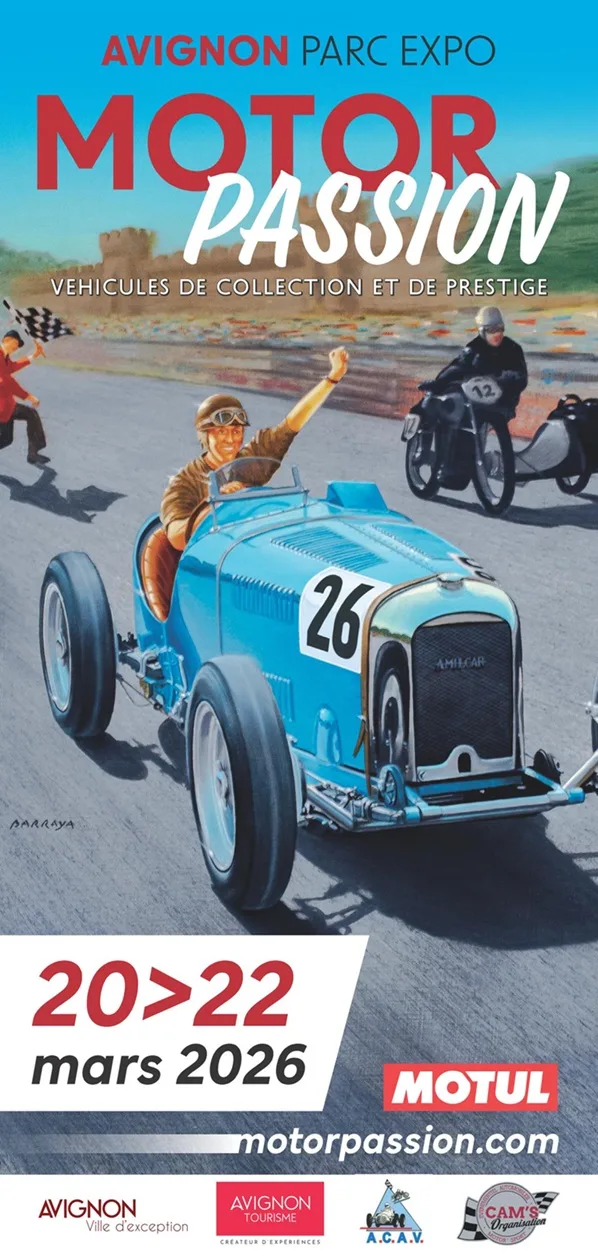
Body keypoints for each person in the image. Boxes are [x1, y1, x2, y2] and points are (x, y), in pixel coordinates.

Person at [161, 346, 349, 550]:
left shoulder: (250, 461)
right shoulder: (185, 481)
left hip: (251, 545)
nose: (230, 439)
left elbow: (292, 423)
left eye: (236, 431)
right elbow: (175, 537)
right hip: (211, 557)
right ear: (206, 435)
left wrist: (332, 378)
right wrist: (214, 506)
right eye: (221, 432)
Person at [428, 306, 528, 417]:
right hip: (472, 401)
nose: (497, 333)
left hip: (502, 404)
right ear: (482, 331)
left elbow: (521, 377)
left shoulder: (513, 348)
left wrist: (499, 381)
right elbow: (458, 366)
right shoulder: (474, 347)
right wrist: (438, 382)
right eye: (491, 330)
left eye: (500, 328)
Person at [0, 330, 49, 464]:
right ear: (6, 340)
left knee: (7, 439)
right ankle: (33, 453)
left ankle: (33, 453)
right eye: (15, 343)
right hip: (2, 408)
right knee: (7, 438)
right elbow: (7, 381)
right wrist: (28, 396)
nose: (16, 347)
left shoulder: (4, 357)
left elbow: (12, 367)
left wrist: (34, 355)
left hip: (7, 406)